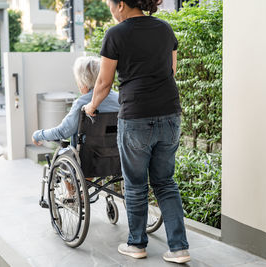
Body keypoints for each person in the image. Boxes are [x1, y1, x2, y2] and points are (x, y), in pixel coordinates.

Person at [83, 0, 190, 264]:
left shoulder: (116, 34)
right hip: (170, 114)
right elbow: (172, 71)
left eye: (109, 3)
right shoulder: (165, 29)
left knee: (135, 184)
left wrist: (91, 106)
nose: (109, 8)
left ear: (120, 4)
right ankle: (179, 248)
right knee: (165, 182)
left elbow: (104, 81)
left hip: (136, 117)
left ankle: (137, 244)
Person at [32, 56, 119, 147]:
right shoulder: (119, 98)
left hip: (88, 156)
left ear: (83, 81)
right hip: (116, 154)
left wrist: (38, 135)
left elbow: (63, 132)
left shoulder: (82, 103)